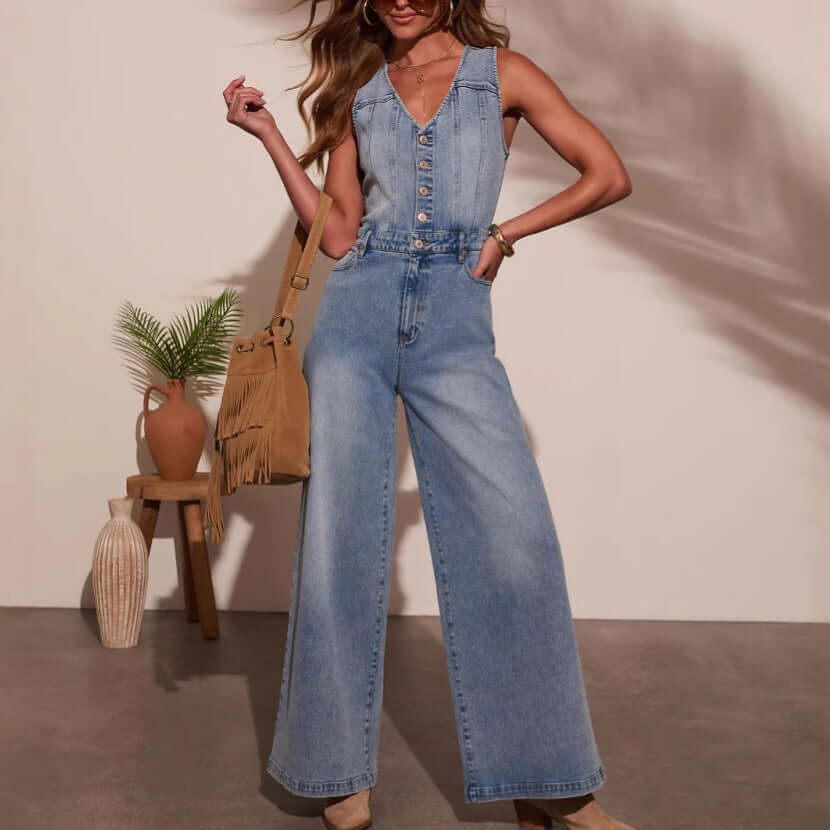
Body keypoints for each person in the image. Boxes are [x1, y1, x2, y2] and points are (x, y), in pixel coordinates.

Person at [222, 2, 635, 829]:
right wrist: (270, 135)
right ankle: (335, 768)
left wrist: (506, 233)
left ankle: (551, 782)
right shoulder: (360, 87)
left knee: (513, 537)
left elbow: (607, 173)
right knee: (338, 536)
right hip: (357, 317)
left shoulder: (502, 76)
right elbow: (337, 233)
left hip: (453, 316)